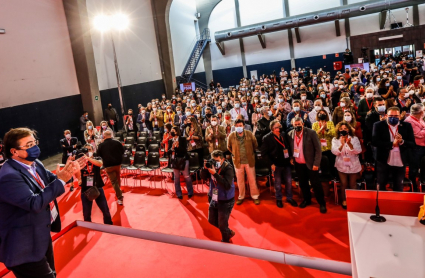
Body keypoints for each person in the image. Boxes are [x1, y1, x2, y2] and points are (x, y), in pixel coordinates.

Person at [0, 128, 84, 278]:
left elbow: (52, 181)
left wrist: (69, 173)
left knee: (52, 274)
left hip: (39, 236)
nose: (35, 147)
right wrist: (61, 179)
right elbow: (34, 203)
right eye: (29, 144)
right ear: (14, 152)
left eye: (35, 142)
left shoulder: (35, 163)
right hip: (22, 248)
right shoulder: (8, 176)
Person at [287, 117, 327, 213]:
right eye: (295, 124)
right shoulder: (290, 134)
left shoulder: (311, 133)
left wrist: (316, 163)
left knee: (316, 184)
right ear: (292, 125)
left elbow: (318, 150)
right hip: (299, 164)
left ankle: (322, 203)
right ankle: (307, 200)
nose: (297, 126)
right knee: (303, 184)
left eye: (299, 124)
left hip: (311, 164)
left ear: (303, 124)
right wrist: (291, 158)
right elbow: (291, 148)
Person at [372, 107, 415, 191]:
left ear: (400, 116)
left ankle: (397, 203)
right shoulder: (378, 125)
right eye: (391, 115)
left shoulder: (406, 126)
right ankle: (382, 202)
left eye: (396, 116)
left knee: (398, 185)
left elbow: (412, 144)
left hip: (400, 160)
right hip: (383, 159)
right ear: (386, 115)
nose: (393, 118)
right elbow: (375, 142)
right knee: (382, 184)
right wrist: (392, 144)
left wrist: (402, 141)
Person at [261, 120, 297, 208]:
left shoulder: (284, 135)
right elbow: (264, 154)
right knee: (277, 183)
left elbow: (288, 146)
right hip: (276, 163)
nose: (280, 128)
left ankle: (289, 197)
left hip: (286, 162)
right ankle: (279, 199)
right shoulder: (267, 138)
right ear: (273, 129)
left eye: (280, 126)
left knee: (289, 181)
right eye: (277, 127)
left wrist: (291, 157)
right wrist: (271, 164)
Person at [201, 150, 236, 243]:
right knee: (211, 220)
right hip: (214, 197)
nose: (215, 163)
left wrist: (215, 174)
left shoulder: (228, 168)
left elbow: (227, 185)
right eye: (213, 160)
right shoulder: (211, 166)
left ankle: (225, 240)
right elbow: (203, 177)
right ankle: (228, 232)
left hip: (226, 200)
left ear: (223, 159)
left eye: (217, 161)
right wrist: (205, 168)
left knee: (222, 225)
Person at [74, 144, 113, 224]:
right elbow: (77, 172)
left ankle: (109, 224)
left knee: (105, 209)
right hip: (85, 189)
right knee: (86, 213)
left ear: (92, 150)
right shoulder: (81, 161)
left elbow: (100, 163)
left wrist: (88, 158)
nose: (87, 152)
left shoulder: (97, 158)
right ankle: (88, 227)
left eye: (89, 150)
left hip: (97, 187)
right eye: (86, 150)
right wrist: (79, 178)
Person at [227, 119, 260, 205]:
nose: (239, 127)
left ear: (243, 126)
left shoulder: (249, 134)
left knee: (252, 180)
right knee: (240, 181)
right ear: (234, 126)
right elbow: (229, 147)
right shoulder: (231, 136)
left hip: (249, 161)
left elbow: (255, 144)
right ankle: (241, 196)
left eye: (240, 126)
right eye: (237, 126)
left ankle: (255, 196)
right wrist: (235, 154)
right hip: (238, 161)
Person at [331, 122, 362, 209]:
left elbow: (358, 151)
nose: (343, 130)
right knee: (344, 183)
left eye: (345, 129)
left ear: (348, 130)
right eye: (341, 129)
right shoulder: (335, 139)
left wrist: (349, 144)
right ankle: (344, 200)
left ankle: (353, 199)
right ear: (338, 130)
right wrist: (342, 144)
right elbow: (334, 152)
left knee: (352, 184)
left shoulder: (354, 138)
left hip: (353, 163)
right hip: (341, 164)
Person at [97, 130, 125, 204]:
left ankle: (120, 197)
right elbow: (123, 152)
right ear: (111, 135)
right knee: (117, 179)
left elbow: (98, 155)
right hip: (118, 164)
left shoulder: (101, 145)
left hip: (108, 165)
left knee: (114, 181)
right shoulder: (117, 142)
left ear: (104, 136)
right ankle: (118, 192)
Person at [403, 104, 425, 192]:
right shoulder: (409, 121)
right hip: (415, 148)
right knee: (414, 168)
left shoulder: (419, 119)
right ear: (420, 112)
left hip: (422, 147)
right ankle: (413, 187)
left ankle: (422, 181)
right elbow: (418, 134)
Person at [168, 126, 193, 199]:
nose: (171, 132)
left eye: (173, 131)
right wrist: (172, 148)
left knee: (187, 176)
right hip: (174, 160)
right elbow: (168, 152)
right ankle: (179, 193)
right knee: (176, 178)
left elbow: (185, 151)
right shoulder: (170, 140)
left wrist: (178, 147)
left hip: (183, 160)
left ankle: (190, 191)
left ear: (177, 132)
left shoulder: (183, 139)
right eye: (171, 131)